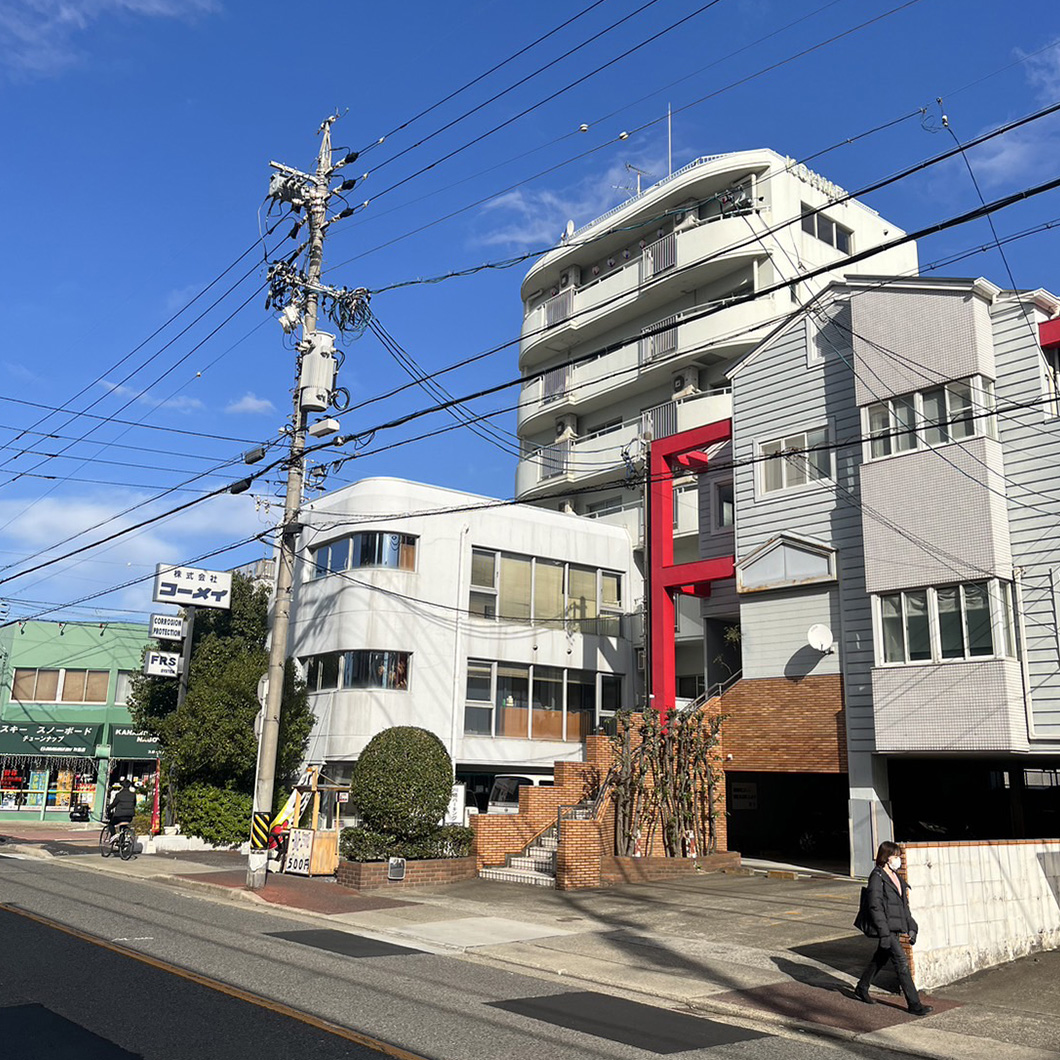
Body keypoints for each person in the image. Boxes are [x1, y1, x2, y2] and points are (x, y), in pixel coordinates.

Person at [854, 841, 933, 1016]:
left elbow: (902, 905)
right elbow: (875, 906)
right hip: (886, 929)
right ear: (886, 857)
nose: (898, 859)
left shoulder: (895, 876)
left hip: (894, 927)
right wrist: (883, 932)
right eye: (895, 856)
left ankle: (862, 987)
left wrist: (912, 926)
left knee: (880, 958)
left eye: (899, 856)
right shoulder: (877, 877)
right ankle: (915, 1004)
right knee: (902, 963)